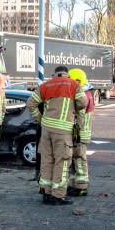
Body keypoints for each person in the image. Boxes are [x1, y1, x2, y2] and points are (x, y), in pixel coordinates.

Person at [27, 65, 82, 204]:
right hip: (63, 131)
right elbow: (83, 102)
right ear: (67, 74)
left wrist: (40, 119)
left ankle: (46, 193)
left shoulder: (46, 85)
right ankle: (58, 196)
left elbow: (31, 103)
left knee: (47, 161)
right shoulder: (74, 84)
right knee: (62, 162)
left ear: (55, 74)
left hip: (46, 130)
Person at [67, 68, 92, 197]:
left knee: (80, 159)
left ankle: (81, 187)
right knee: (77, 160)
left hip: (80, 133)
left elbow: (77, 115)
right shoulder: (86, 93)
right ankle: (76, 185)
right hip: (83, 132)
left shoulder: (82, 95)